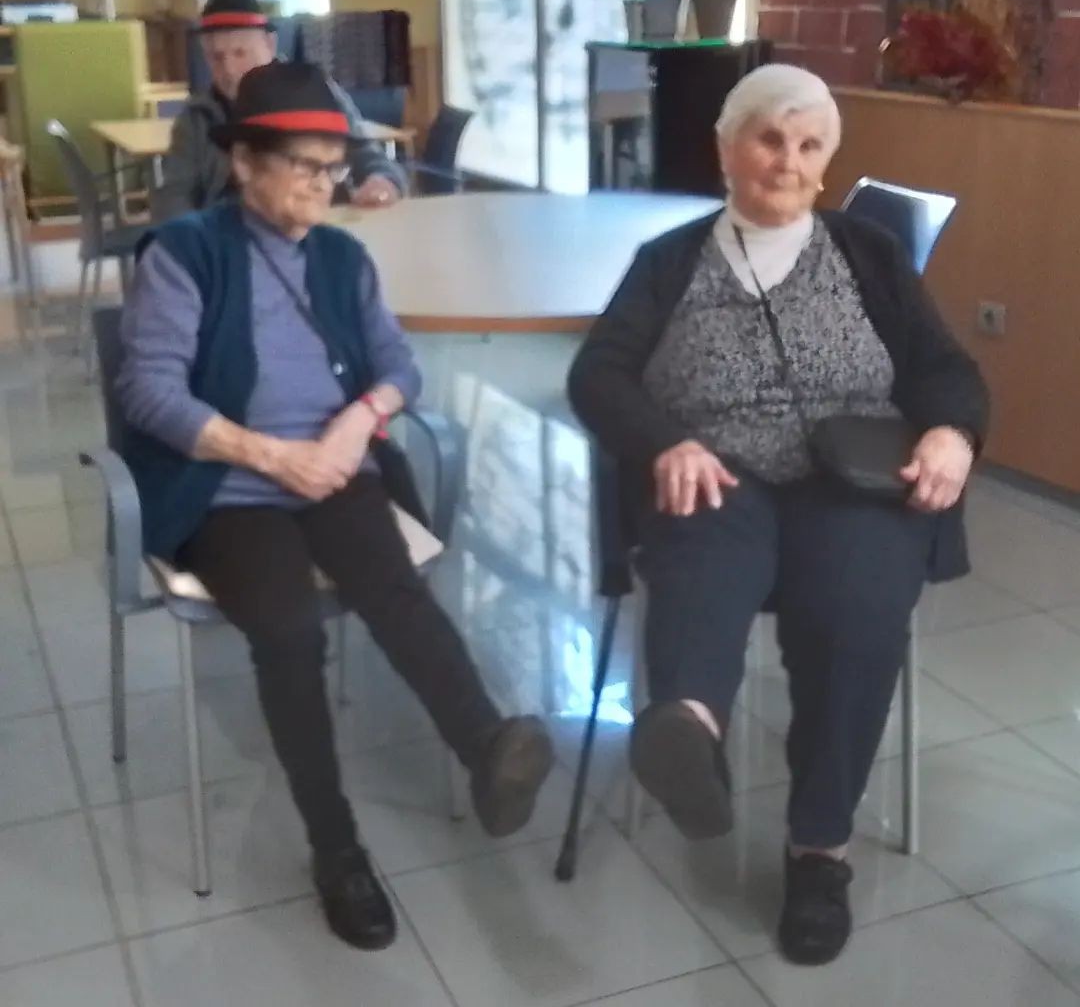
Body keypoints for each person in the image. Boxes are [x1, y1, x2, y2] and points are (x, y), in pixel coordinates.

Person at [118, 61, 553, 951]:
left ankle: (486, 748)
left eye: (333, 167)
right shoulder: (185, 254)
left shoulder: (342, 257)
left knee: (394, 589)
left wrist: (358, 423)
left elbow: (398, 366)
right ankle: (336, 848)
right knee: (287, 633)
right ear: (245, 162)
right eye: (305, 166)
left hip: (335, 467)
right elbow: (149, 392)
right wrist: (270, 454)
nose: (326, 185)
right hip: (228, 488)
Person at [568, 64, 988, 966]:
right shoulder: (669, 260)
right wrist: (664, 444)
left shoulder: (870, 254)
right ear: (727, 149)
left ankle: (818, 852)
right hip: (715, 466)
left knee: (856, 614)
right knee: (700, 562)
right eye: (768, 139)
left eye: (808, 145)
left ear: (827, 163)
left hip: (852, 482)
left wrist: (952, 433)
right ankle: (691, 734)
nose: (787, 161)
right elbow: (598, 374)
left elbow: (944, 369)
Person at [156, 0, 407, 219]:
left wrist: (383, 182)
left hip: (314, 225)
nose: (229, 69)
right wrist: (191, 238)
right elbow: (174, 195)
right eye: (216, 57)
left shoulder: (314, 90)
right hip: (225, 233)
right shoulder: (196, 117)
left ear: (269, 44)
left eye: (240, 53)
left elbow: (369, 157)